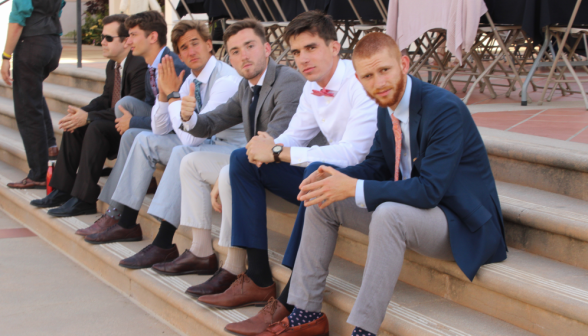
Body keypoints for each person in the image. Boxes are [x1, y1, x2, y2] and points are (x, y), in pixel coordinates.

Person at [259, 32, 508, 336]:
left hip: (458, 221)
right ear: (359, 81)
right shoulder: (384, 107)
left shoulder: (444, 109)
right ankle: (306, 314)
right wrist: (336, 176)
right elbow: (376, 165)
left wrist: (352, 188)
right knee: (323, 196)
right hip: (413, 211)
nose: (378, 82)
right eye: (368, 76)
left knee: (389, 213)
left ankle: (364, 330)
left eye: (384, 70)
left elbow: (430, 191)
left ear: (403, 63)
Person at [196, 11, 379, 336]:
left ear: (335, 48)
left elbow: (355, 153)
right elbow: (295, 135)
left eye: (311, 48)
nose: (303, 59)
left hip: (362, 181)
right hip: (326, 173)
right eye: (296, 52)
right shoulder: (313, 86)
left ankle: (289, 303)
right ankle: (259, 278)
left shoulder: (359, 81)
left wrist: (279, 151)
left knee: (316, 171)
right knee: (241, 160)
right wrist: (264, 148)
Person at [145, 19, 308, 284]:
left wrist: (227, 173)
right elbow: (212, 122)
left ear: (267, 48)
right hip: (258, 165)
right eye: (235, 51)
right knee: (190, 162)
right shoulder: (246, 86)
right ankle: (201, 251)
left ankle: (234, 267)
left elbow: (272, 141)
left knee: (234, 166)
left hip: (291, 174)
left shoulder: (287, 81)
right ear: (229, 60)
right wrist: (190, 117)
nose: (243, 55)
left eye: (250, 46)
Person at [82, 20, 244, 256]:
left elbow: (192, 140)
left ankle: (163, 242)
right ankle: (126, 222)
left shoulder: (225, 80)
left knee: (182, 152)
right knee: (143, 139)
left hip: (229, 148)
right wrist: (164, 95)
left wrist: (175, 96)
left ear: (209, 45)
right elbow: (159, 129)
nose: (191, 51)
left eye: (195, 44)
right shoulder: (191, 79)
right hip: (206, 143)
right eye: (183, 48)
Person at [72, 11, 188, 225]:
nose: (129, 41)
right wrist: (132, 120)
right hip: (160, 121)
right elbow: (151, 107)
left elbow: (175, 120)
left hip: (181, 132)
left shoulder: (171, 66)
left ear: (152, 37)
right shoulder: (150, 67)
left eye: (133, 35)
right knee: (125, 105)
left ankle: (114, 213)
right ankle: (115, 210)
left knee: (132, 134)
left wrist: (133, 122)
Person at [29, 14, 147, 216]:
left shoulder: (139, 65)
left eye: (108, 38)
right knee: (75, 126)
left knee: (95, 127)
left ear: (126, 40)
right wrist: (83, 112)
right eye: (102, 37)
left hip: (133, 127)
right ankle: (62, 190)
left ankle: (84, 198)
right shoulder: (114, 64)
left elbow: (129, 109)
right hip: (115, 124)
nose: (102, 42)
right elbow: (106, 97)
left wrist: (89, 117)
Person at [3, 0, 64, 189]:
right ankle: (50, 149)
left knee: (27, 109)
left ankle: (38, 174)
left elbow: (17, 21)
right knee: (33, 100)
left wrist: (6, 56)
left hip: (31, 44)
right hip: (52, 43)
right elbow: (59, 9)